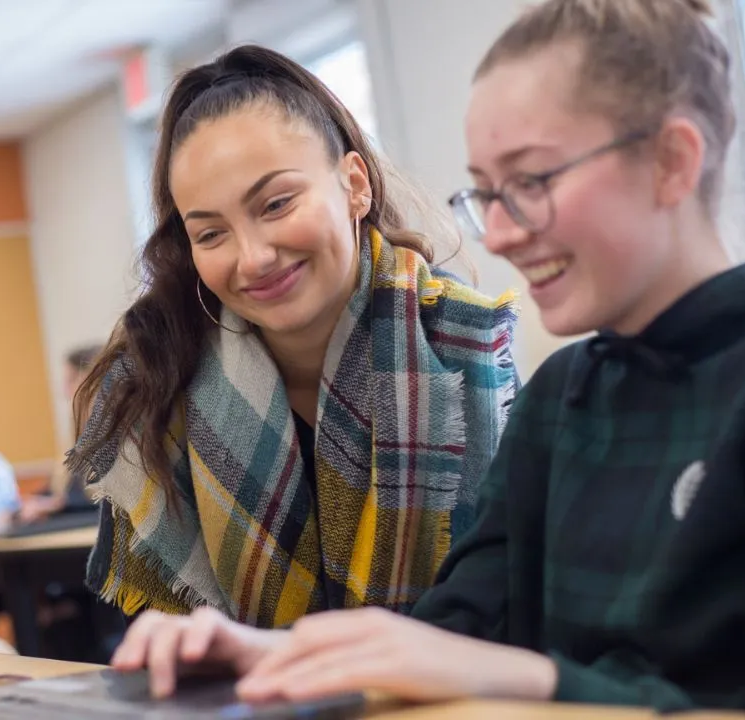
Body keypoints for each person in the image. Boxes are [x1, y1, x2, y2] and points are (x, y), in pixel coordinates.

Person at [101, 1, 745, 716]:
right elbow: (458, 626)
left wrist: (532, 681)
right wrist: (275, 657)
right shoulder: (566, 395)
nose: (496, 234)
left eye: (530, 183)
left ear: (673, 160)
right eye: (487, 193)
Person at [67, 45, 520, 629]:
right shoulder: (154, 375)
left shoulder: (465, 343)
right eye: (210, 234)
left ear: (354, 184)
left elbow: (514, 604)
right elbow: (161, 635)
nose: (253, 258)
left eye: (276, 204)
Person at [19, 343, 104, 524]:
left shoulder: (118, 438)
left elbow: (107, 500)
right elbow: (60, 489)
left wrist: (59, 505)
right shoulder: (79, 439)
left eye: (71, 380)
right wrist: (34, 502)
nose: (64, 391)